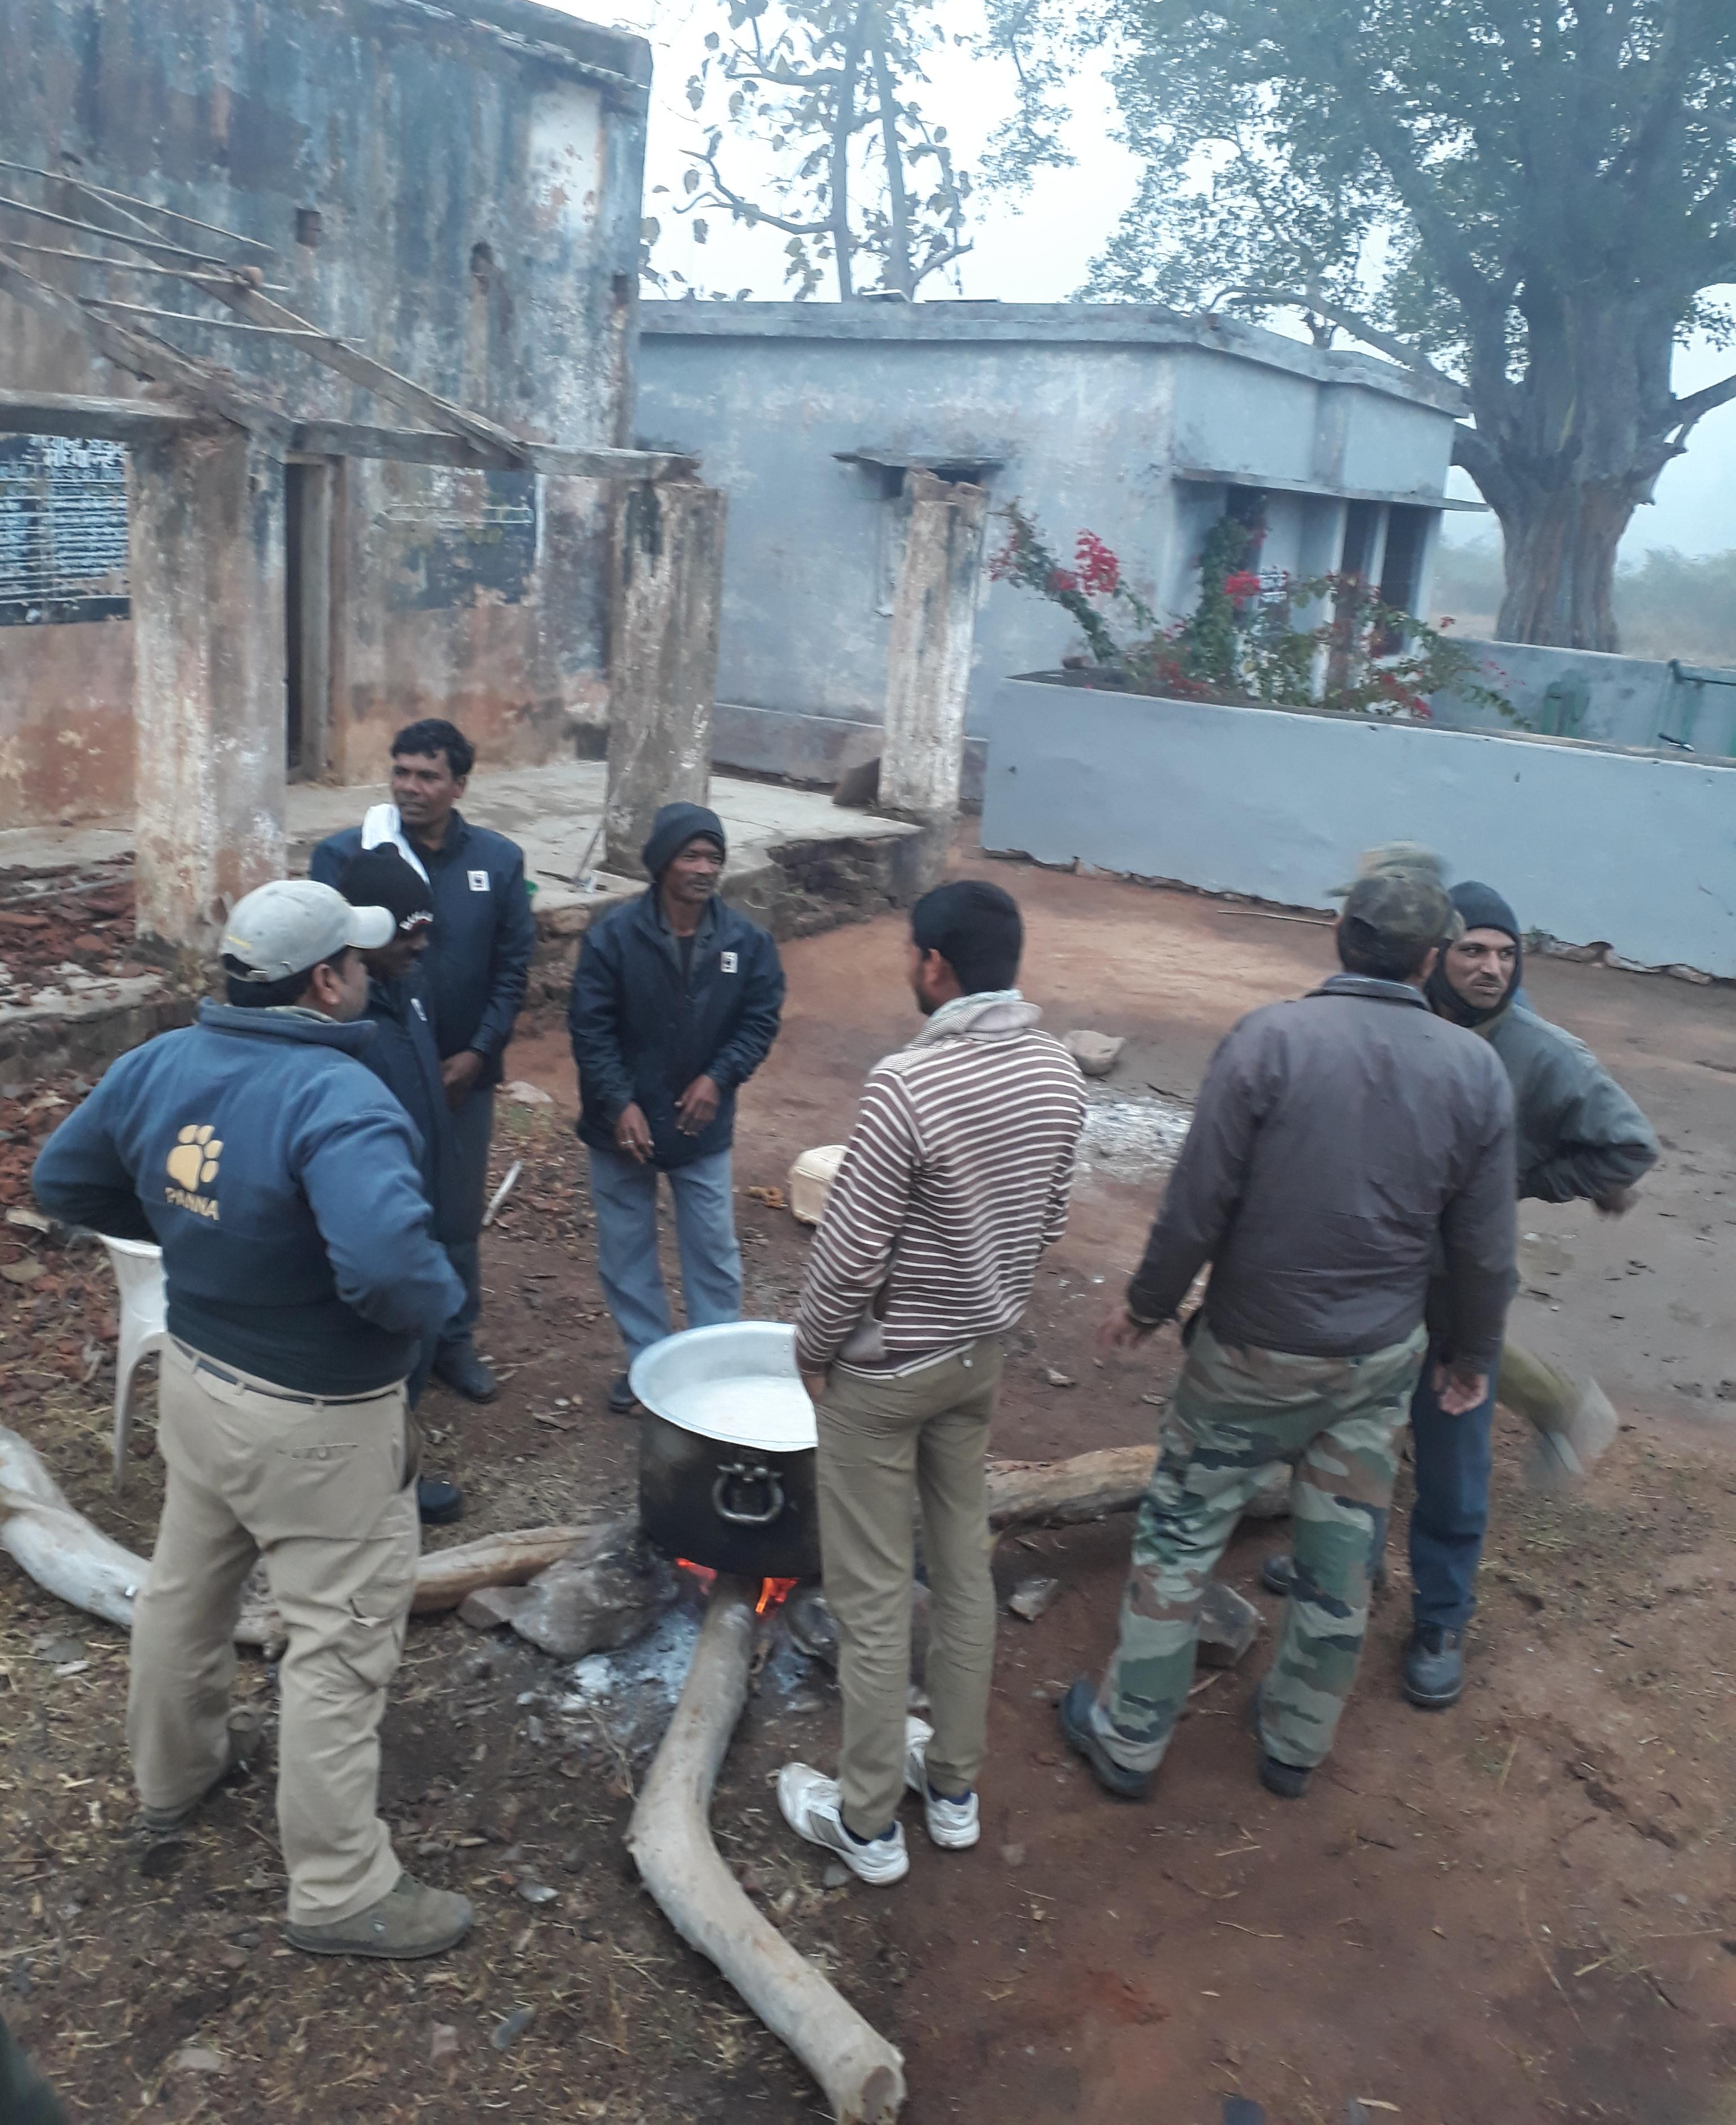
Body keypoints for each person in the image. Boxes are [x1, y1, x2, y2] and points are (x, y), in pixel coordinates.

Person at [31, 879, 472, 1960]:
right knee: (339, 1635)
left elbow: (63, 1180)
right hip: (318, 1418)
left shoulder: (160, 1062)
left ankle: (174, 1776)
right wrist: (434, 1310)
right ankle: (338, 1886)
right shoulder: (340, 1094)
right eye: (358, 963)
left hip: (201, 1379)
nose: (368, 976)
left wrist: (200, 1236)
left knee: (189, 1581)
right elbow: (387, 1272)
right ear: (325, 981)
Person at [1059, 862, 1516, 1806]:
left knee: (1181, 1533)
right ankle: (1295, 1742)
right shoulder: (1473, 1069)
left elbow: (1197, 1201)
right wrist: (1468, 1356)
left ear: (1337, 933)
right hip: (1375, 1359)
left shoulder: (1267, 1040)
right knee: (1339, 1553)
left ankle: (1129, 1739)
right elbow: (1481, 1246)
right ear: (1430, 958)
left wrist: (1147, 1304)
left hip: (1246, 1352)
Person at [777, 882, 1086, 1887]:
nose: (907, 966)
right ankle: (949, 1788)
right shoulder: (1057, 1072)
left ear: (936, 966)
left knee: (869, 1599)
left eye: (911, 952)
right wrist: (985, 1297)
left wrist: (813, 1348)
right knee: (960, 1573)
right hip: (975, 1360)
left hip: (884, 1376)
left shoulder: (907, 1084)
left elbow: (850, 1252)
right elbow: (1045, 1221)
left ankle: (865, 1820)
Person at [1399, 882, 1656, 1705]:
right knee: (1355, 1430)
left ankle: (1441, 1618)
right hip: (1378, 1270)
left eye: (1506, 954)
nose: (1491, 967)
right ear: (1437, 955)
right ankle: (1340, 1566)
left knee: (1450, 1456)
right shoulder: (1404, 1021)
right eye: (1474, 949)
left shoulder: (1542, 1053)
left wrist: (1523, 1179)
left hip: (1465, 1282)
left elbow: (1628, 1147)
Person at [310, 717, 536, 1405]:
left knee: (456, 1218)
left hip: (462, 1080)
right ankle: (376, 1352)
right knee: (374, 1214)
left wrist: (476, 1055)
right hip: (371, 1076)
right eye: (401, 772)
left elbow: (513, 969)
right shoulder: (346, 857)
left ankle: (453, 1341)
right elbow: (323, 961)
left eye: (428, 775)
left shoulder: (497, 863)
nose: (410, 788)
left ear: (459, 785)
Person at [568, 802, 785, 1412]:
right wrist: (618, 1103)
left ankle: (713, 1375)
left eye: (713, 857)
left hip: (700, 1127)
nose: (704, 868)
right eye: (690, 855)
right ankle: (647, 1369)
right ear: (662, 863)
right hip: (621, 1128)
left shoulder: (747, 942)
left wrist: (718, 1078)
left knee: (713, 1253)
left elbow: (759, 1021)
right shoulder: (612, 938)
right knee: (627, 1252)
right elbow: (590, 1029)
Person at [336, 846, 471, 1528]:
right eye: (406, 931)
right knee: (376, 1362)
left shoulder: (411, 984)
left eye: (425, 927)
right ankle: (372, 1494)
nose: (421, 942)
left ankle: (392, 1470)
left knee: (413, 1358)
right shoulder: (343, 1021)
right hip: (374, 1215)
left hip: (422, 1202)